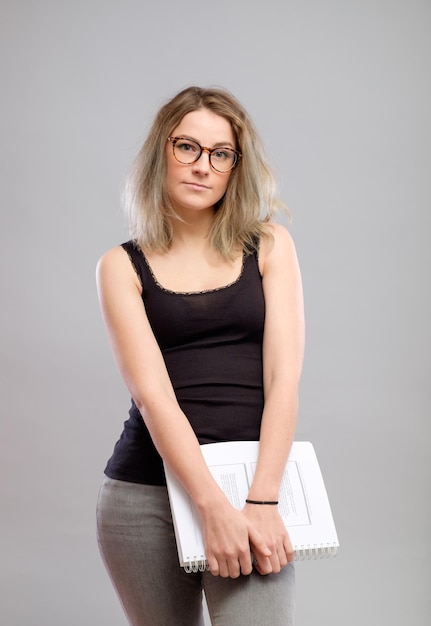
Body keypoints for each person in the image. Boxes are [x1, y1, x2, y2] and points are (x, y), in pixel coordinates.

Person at [96, 86, 305, 626]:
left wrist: (260, 502)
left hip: (252, 489)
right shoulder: (120, 267)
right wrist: (210, 505)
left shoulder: (270, 246)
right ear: (161, 152)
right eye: (186, 146)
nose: (202, 166)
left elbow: (284, 379)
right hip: (145, 498)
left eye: (220, 153)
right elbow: (151, 395)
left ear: (236, 167)